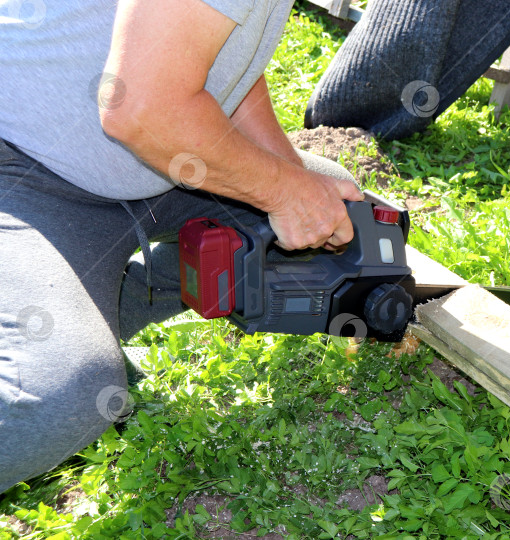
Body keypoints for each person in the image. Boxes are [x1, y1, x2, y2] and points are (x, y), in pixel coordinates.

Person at [0, 0, 363, 493]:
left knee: (329, 202)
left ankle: (82, 308)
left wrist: (294, 180)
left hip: (150, 167)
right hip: (23, 169)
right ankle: (40, 334)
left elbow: (223, 58)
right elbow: (142, 110)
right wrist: (284, 193)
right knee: (59, 399)